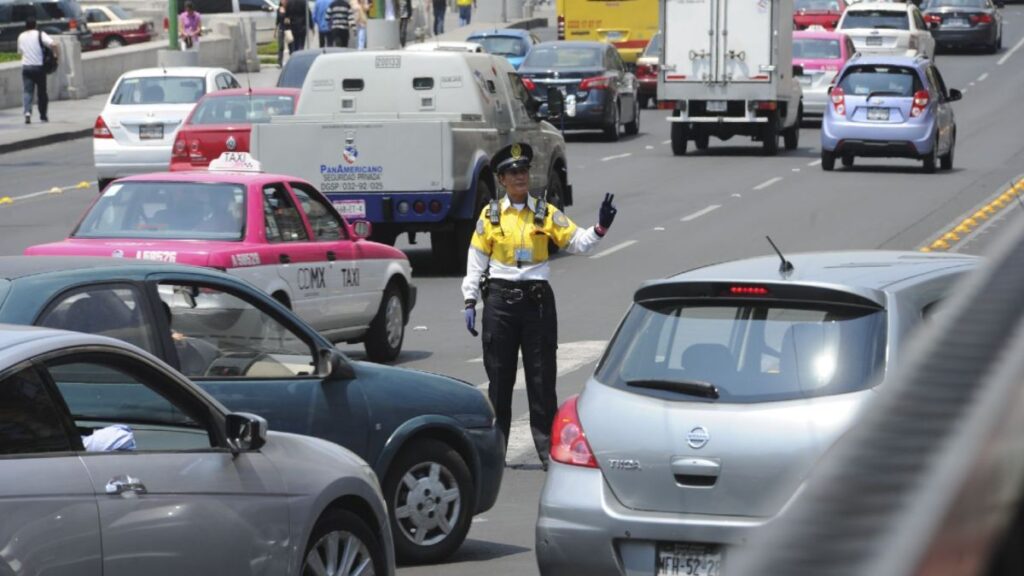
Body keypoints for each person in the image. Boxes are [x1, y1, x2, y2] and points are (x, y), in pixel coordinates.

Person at [461, 143, 618, 470]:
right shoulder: (490, 216)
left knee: (542, 379)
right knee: (499, 380)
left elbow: (579, 242)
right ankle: (497, 451)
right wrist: (470, 299)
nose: (520, 177)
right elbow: (476, 261)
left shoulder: (545, 212)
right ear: (502, 179)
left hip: (537, 303)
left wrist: (600, 228)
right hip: (500, 302)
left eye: (524, 171)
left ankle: (548, 452)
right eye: (513, 173)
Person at [17, 16, 58, 124]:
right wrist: (55, 55)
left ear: (25, 26)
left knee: (27, 91)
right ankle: (43, 116)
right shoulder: (40, 34)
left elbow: (20, 52)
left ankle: (27, 112)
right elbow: (53, 44)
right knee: (42, 93)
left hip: (26, 67)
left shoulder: (21, 36)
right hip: (39, 67)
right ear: (35, 25)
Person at [275, 0, 288, 64]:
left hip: (288, 29)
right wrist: (275, 31)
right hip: (281, 29)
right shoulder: (278, 9)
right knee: (281, 46)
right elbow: (277, 21)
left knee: (290, 44)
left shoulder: (289, 8)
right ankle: (279, 61)